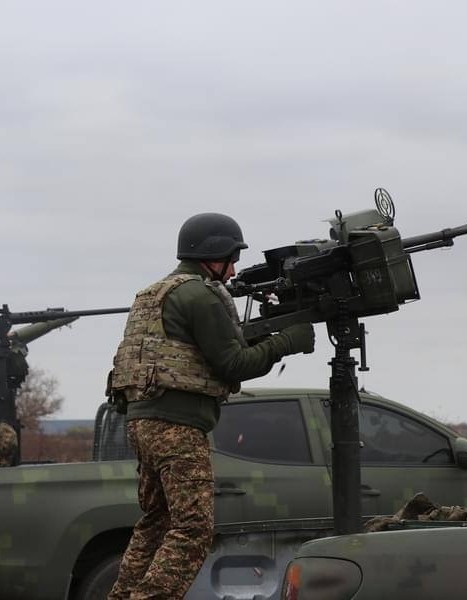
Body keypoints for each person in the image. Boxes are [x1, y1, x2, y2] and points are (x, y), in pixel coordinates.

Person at [106, 213, 316, 599]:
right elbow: (233, 364)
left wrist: (266, 336)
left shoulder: (156, 292)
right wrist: (289, 340)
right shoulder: (200, 295)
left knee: (157, 520)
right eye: (231, 258)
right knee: (193, 527)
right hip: (176, 426)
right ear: (211, 255)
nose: (234, 268)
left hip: (142, 421)